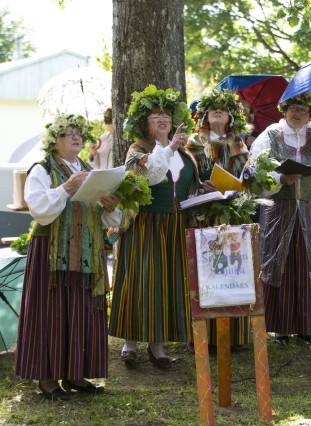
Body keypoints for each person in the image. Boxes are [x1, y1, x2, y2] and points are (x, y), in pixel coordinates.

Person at [15, 114, 120, 400]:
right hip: (51, 251)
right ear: (54, 140)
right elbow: (38, 208)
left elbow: (105, 216)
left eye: (78, 133)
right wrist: (65, 188)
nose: (76, 137)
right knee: (50, 311)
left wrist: (110, 204)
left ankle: (75, 372)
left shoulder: (88, 169)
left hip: (85, 250)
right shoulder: (42, 169)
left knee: (80, 310)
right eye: (68, 133)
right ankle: (47, 378)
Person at [109, 85, 198, 369]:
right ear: (143, 123)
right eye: (155, 116)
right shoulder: (137, 150)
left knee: (166, 282)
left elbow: (186, 183)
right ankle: (130, 343)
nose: (163, 120)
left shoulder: (186, 153)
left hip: (173, 225)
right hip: (145, 224)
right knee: (141, 279)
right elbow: (149, 177)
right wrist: (169, 146)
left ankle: (158, 345)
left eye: (166, 116)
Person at [250, 92, 311, 345]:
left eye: (303, 110)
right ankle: (280, 326)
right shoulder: (269, 136)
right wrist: (280, 178)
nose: (297, 113)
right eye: (293, 108)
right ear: (284, 110)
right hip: (278, 210)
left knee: (308, 265)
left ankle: (306, 325)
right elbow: (255, 170)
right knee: (278, 264)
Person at [185, 88, 251, 349]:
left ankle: (232, 337)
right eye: (213, 109)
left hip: (230, 215)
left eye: (223, 110)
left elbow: (245, 177)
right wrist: (201, 186)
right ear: (204, 116)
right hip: (202, 215)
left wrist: (234, 184)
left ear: (231, 117)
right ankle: (201, 337)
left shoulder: (238, 143)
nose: (218, 112)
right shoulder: (193, 142)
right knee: (204, 275)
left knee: (231, 272)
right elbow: (186, 176)